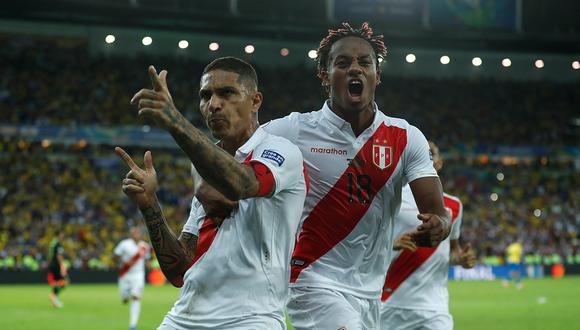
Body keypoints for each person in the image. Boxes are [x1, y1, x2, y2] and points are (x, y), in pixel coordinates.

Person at [196, 22, 451, 329]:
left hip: (371, 291)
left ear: (377, 75)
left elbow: (437, 213)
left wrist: (439, 225)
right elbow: (225, 151)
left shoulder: (405, 137)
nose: (354, 69)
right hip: (309, 281)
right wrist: (203, 182)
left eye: (364, 62)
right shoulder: (292, 130)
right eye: (342, 63)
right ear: (325, 75)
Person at [118, 56, 308, 329]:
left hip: (250, 318)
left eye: (227, 93)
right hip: (185, 316)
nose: (214, 104)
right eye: (205, 96)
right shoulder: (205, 170)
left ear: (255, 100)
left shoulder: (280, 151)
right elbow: (179, 270)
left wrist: (176, 122)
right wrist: (150, 204)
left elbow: (242, 184)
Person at [380, 140, 477, 330]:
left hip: (434, 308)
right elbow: (368, 242)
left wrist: (462, 258)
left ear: (439, 163)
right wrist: (392, 243)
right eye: (423, 153)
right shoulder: (392, 196)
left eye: (432, 153)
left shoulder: (454, 205)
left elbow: (452, 251)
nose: (428, 157)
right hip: (391, 302)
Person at [114, 226, 151, 330]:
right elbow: (116, 255)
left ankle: (133, 325)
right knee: (125, 298)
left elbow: (147, 259)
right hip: (125, 275)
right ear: (131, 234)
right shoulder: (124, 244)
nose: (136, 234)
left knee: (136, 297)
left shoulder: (144, 246)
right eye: (134, 233)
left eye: (137, 233)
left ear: (140, 235)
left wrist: (149, 265)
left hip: (138, 275)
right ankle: (125, 297)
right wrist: (123, 261)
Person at [47, 229, 68, 308]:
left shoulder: (52, 243)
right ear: (58, 234)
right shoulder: (58, 244)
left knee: (57, 283)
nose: (63, 236)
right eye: (62, 234)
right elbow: (59, 255)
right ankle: (53, 297)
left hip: (52, 264)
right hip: (56, 265)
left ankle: (54, 300)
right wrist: (62, 265)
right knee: (65, 282)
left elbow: (50, 254)